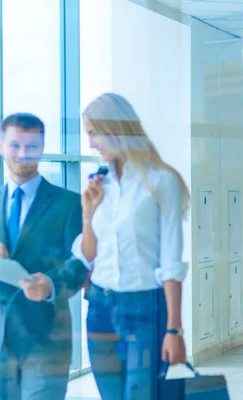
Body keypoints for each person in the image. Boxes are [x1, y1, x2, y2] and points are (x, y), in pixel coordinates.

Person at [0, 112, 87, 400]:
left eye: (31, 146)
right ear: (1, 146)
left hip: (46, 338)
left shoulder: (69, 204)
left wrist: (50, 283)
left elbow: (80, 264)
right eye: (15, 145)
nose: (23, 154)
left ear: (42, 148)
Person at [73, 93, 190, 399]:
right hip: (100, 306)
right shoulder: (100, 186)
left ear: (116, 129)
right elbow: (88, 256)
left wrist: (174, 330)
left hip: (145, 309)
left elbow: (171, 262)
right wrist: (87, 215)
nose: (91, 143)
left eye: (94, 133)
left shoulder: (161, 181)